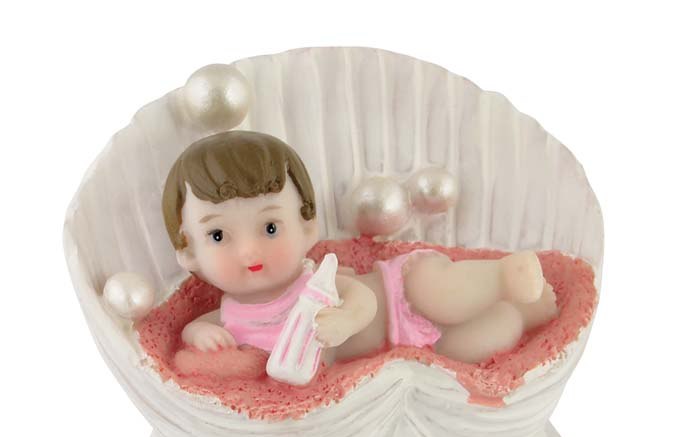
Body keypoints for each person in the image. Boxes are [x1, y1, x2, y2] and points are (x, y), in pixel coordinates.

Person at [162, 131, 557, 370]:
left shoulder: (314, 280)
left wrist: (347, 322)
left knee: (443, 295)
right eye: (218, 236)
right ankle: (522, 312)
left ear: (307, 228)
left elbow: (363, 298)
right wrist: (199, 333)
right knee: (468, 346)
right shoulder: (231, 319)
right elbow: (200, 328)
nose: (250, 251)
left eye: (270, 228)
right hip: (414, 342)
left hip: (402, 291)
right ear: (189, 254)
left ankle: (504, 277)